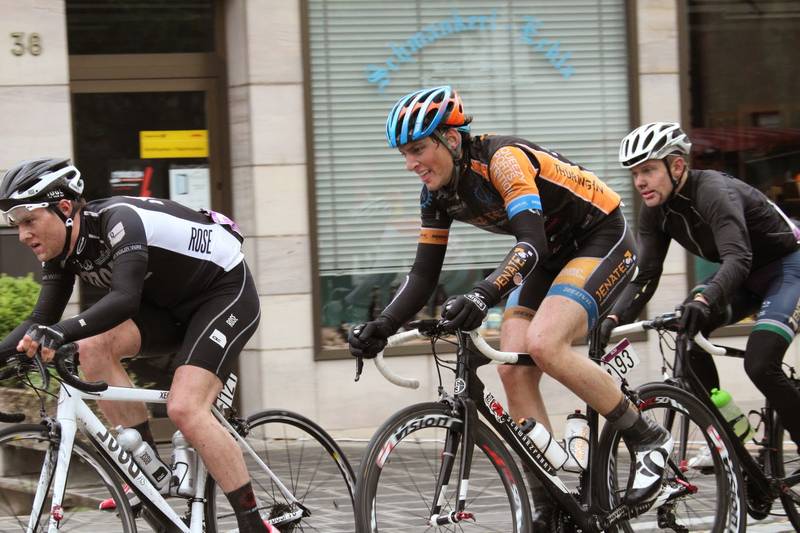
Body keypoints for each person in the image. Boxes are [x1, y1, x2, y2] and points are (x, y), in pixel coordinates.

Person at [347, 85, 674, 523]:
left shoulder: (503, 160)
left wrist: (483, 294)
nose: (411, 164)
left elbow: (530, 242)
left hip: (599, 237)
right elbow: (423, 276)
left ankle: (647, 437)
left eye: (418, 149)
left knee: (544, 343)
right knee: (512, 369)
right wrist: (382, 325)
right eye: (405, 154)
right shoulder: (436, 195)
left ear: (451, 138)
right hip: (547, 254)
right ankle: (550, 505)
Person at [0, 158, 273, 533]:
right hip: (167, 308)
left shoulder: (119, 220)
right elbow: (38, 321)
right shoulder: (61, 252)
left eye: (29, 220)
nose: (22, 234)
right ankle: (148, 475)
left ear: (64, 208)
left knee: (185, 407)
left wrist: (60, 332)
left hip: (222, 294)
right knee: (92, 348)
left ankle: (252, 522)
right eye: (16, 224)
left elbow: (125, 300)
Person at [598, 121, 800, 466]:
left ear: (677, 166)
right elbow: (645, 276)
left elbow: (738, 257)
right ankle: (729, 436)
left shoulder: (714, 191)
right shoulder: (655, 211)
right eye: (635, 173)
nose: (640, 181)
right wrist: (612, 318)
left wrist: (704, 299)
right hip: (744, 278)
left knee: (760, 363)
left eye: (648, 170)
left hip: (786, 269)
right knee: (688, 332)